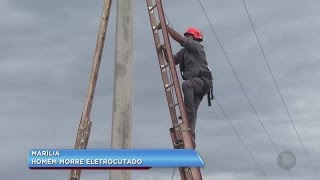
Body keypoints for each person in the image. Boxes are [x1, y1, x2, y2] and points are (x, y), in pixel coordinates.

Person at [166, 25, 213, 146]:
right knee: (192, 112)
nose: (187, 37)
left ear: (195, 38)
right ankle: (191, 137)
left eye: (189, 36)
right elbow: (171, 60)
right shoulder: (184, 52)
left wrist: (167, 28)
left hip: (202, 82)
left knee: (187, 86)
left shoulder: (196, 47)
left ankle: (187, 115)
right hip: (195, 84)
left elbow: (181, 40)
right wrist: (164, 48)